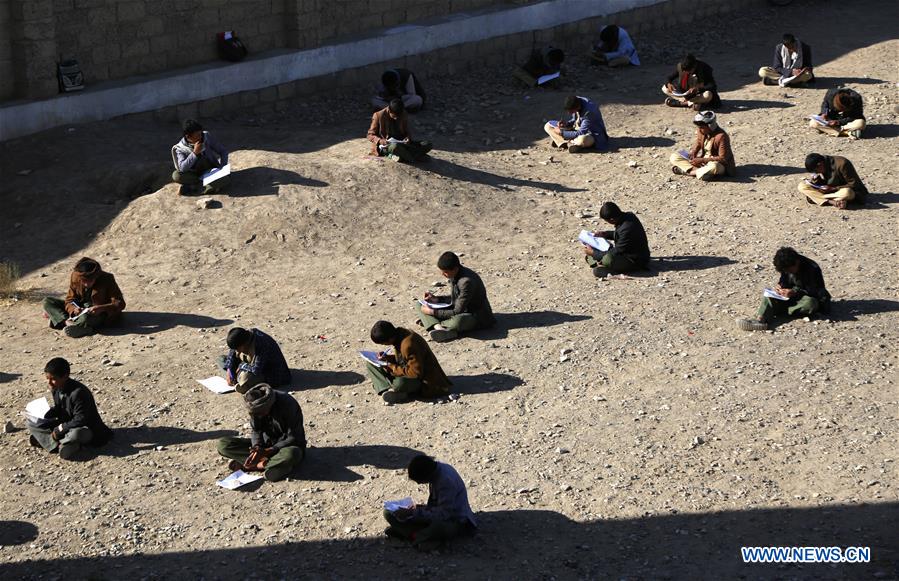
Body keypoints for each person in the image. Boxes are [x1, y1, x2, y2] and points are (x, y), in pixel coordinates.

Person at [383, 454, 477, 550]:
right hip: (437, 513)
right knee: (388, 513)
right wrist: (417, 509)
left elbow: (444, 515)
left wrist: (413, 513)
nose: (419, 483)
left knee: (438, 527)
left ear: (427, 475)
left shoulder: (446, 481)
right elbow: (435, 506)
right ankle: (418, 535)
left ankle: (413, 536)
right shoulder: (436, 472)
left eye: (420, 480)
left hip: (455, 521)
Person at [216, 384, 306, 482]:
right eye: (255, 413)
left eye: (261, 412)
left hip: (285, 447)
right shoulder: (254, 408)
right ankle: (276, 466)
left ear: (268, 405)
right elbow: (256, 430)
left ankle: (255, 466)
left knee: (291, 454)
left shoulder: (288, 404)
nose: (258, 415)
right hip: (265, 445)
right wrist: (256, 448)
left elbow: (293, 437)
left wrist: (270, 450)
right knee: (223, 444)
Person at [27, 358, 113, 460]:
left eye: (53, 379)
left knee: (77, 434)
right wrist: (46, 414)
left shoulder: (79, 393)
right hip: (66, 423)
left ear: (65, 376)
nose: (49, 383)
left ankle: (48, 441)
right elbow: (60, 409)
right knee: (31, 422)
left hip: (84, 427)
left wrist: (59, 430)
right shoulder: (56, 388)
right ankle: (62, 444)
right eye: (47, 379)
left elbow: (81, 419)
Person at [737, 247, 830, 331]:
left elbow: (815, 291)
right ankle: (760, 321)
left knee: (810, 303)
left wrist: (794, 292)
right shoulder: (787, 266)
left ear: (796, 263)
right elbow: (784, 278)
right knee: (769, 295)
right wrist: (780, 285)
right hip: (789, 297)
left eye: (789, 270)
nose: (788, 272)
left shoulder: (812, 268)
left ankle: (778, 309)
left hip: (807, 297)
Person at [364, 321, 452, 404]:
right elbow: (403, 359)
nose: (385, 345)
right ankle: (386, 390)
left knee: (400, 383)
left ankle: (394, 389)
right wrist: (387, 358)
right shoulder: (400, 335)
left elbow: (415, 373)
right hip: (408, 371)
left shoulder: (408, 344)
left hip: (425, 382)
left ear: (390, 339)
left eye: (384, 343)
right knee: (371, 364)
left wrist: (390, 366)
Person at [418, 252, 495, 342]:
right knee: (419, 304)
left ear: (455, 268)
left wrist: (432, 312)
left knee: (458, 321)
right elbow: (457, 298)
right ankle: (439, 327)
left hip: (476, 316)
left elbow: (458, 311)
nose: (443, 274)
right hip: (461, 308)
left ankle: (432, 323)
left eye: (445, 272)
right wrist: (437, 299)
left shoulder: (466, 282)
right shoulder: (455, 274)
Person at [41, 257, 125, 338]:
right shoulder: (75, 276)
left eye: (90, 281)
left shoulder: (107, 279)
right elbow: (70, 299)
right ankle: (68, 322)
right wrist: (74, 309)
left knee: (86, 318)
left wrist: (101, 308)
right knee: (48, 301)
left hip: (96, 314)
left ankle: (60, 320)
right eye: (83, 281)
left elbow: (120, 303)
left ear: (96, 277)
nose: (86, 284)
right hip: (79, 310)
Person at [582, 202, 650, 277]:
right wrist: (605, 234)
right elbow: (621, 236)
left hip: (634, 261)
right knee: (589, 257)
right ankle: (601, 264)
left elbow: (617, 250)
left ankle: (609, 269)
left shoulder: (627, 228)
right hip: (624, 252)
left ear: (612, 219)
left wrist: (593, 253)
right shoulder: (627, 217)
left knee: (606, 259)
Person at [218, 327, 291, 394]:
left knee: (245, 378)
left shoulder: (261, 344)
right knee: (222, 359)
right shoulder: (244, 337)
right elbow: (232, 352)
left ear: (243, 344)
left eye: (238, 349)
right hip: (250, 365)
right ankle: (235, 378)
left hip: (270, 373)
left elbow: (256, 369)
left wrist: (241, 366)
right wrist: (229, 370)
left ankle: (241, 382)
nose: (237, 351)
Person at [669, 111, 736, 181]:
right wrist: (693, 152)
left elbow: (723, 159)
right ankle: (702, 172)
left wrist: (702, 160)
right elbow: (698, 142)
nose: (699, 129)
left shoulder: (721, 136)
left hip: (718, 164)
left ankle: (689, 172)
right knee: (674, 157)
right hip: (703, 162)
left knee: (714, 166)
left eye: (701, 127)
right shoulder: (701, 131)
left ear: (710, 126)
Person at [171, 118, 229, 195]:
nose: (201, 137)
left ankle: (194, 187)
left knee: (225, 179)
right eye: (197, 135)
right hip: (194, 174)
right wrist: (194, 153)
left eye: (201, 134)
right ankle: (208, 186)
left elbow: (223, 151)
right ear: (188, 136)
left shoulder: (206, 136)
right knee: (176, 176)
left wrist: (222, 167)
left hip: (210, 170)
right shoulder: (180, 148)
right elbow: (182, 168)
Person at [367, 99, 433, 163]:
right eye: (394, 116)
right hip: (387, 146)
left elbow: (406, 131)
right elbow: (370, 135)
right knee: (395, 146)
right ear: (389, 111)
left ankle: (404, 156)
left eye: (399, 116)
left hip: (401, 143)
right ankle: (414, 158)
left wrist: (407, 138)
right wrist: (380, 140)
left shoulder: (403, 113)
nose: (396, 118)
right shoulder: (378, 115)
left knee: (427, 144)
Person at [798, 153, 868, 209]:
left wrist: (833, 188)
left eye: (816, 171)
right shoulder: (822, 167)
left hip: (845, 191)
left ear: (820, 165)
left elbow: (854, 184)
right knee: (802, 186)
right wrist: (815, 181)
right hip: (830, 192)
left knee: (847, 193)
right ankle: (832, 202)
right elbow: (824, 182)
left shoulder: (842, 164)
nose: (817, 173)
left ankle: (818, 198)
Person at [543, 95, 610, 153]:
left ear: (577, 107)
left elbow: (581, 132)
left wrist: (562, 133)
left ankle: (564, 141)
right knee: (548, 125)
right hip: (576, 129)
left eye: (571, 111)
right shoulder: (576, 100)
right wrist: (566, 124)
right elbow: (575, 120)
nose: (569, 113)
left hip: (591, 134)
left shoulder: (589, 112)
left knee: (582, 140)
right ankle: (568, 143)